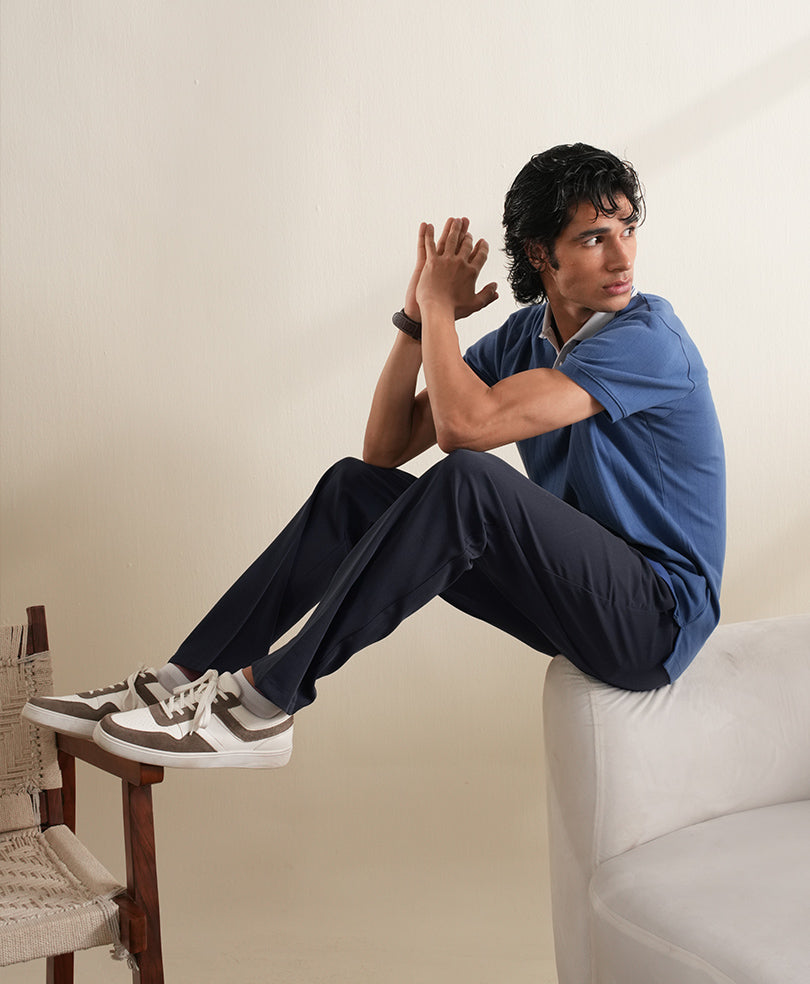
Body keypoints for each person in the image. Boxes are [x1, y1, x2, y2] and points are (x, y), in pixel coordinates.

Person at [23, 143, 726, 770]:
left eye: (628, 230)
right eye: (595, 238)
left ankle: (266, 702)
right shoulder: (526, 338)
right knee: (352, 487)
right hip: (573, 601)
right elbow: (385, 448)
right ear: (541, 253)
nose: (623, 257)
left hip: (654, 621)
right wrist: (417, 320)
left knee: (469, 481)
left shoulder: (649, 340)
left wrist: (441, 308)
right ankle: (182, 680)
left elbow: (463, 429)